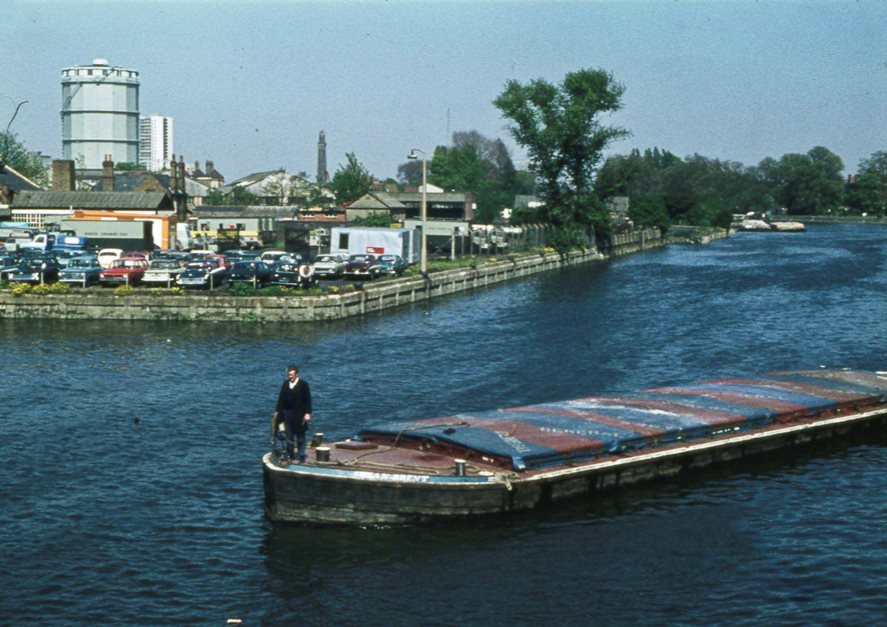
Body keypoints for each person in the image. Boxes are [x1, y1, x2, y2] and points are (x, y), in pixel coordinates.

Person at [273, 364, 312, 463]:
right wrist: (277, 411)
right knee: (289, 435)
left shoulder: (303, 385)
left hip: (299, 414)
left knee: (300, 435)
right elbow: (281, 399)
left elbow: (308, 400)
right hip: (287, 414)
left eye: (291, 375)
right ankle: (290, 455)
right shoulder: (285, 384)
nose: (289, 376)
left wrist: (307, 413)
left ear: (297, 375)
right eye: (288, 375)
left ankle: (301, 454)